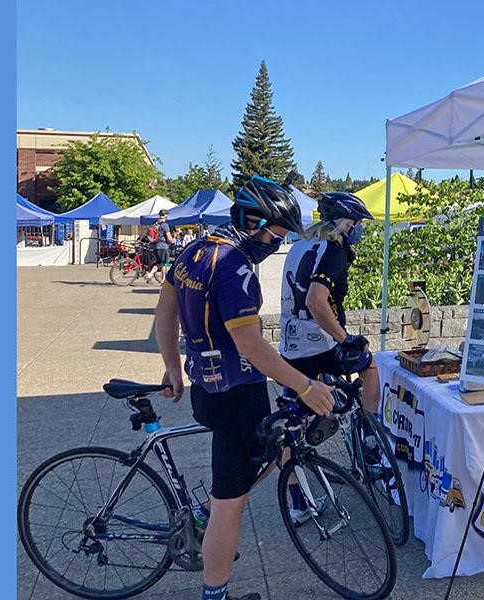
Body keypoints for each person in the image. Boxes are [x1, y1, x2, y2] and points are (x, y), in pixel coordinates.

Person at [154, 175, 336, 600]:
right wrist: (304, 385)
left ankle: (208, 511)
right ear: (254, 222)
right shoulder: (236, 268)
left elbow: (165, 312)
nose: (278, 243)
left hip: (208, 388)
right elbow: (250, 343)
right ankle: (215, 592)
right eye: (277, 233)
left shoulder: (193, 251)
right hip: (236, 395)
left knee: (271, 447)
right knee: (228, 508)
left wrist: (172, 366)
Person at [278, 191, 381, 507]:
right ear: (347, 225)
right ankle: (369, 436)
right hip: (319, 344)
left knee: (291, 422)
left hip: (291, 345)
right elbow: (315, 300)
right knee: (368, 364)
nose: (360, 230)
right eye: (359, 224)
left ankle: (298, 502)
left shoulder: (299, 246)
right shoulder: (334, 252)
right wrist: (343, 337)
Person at [148, 209, 176, 281]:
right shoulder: (165, 225)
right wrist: (172, 241)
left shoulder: (155, 224)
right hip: (163, 247)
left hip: (156, 246)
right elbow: (168, 237)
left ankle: (163, 279)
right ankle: (151, 273)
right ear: (166, 215)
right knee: (164, 263)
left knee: (161, 263)